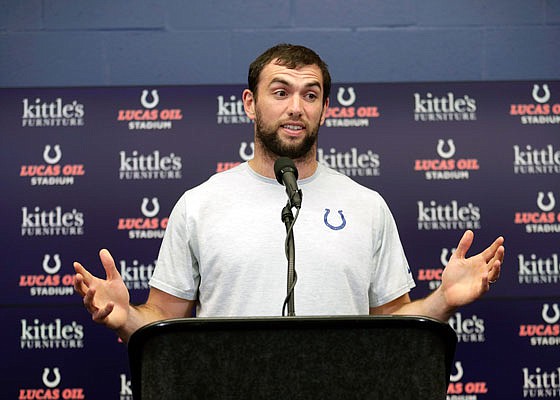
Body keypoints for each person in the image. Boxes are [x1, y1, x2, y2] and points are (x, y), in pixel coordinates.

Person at [73, 44, 504, 343]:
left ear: (324, 110)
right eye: (280, 92)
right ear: (249, 103)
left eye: (310, 95)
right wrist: (126, 316)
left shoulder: (367, 206)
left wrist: (443, 300)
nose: (296, 107)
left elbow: (392, 323)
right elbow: (163, 320)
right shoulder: (200, 204)